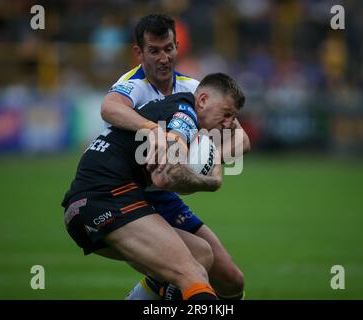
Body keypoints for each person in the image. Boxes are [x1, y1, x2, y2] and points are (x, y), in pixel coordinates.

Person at [101, 14, 250, 300]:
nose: (163, 57)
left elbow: (242, 138)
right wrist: (150, 129)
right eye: (154, 50)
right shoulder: (133, 84)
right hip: (128, 194)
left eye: (168, 48)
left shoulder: (194, 89)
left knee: (231, 280)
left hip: (163, 196)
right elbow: (109, 108)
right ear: (139, 52)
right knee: (189, 268)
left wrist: (211, 157)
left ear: (177, 46)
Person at [61, 73, 245, 301]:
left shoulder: (185, 97)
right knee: (192, 274)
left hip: (105, 196)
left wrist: (211, 156)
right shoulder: (185, 114)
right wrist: (211, 181)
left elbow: (241, 140)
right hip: (106, 197)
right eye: (226, 115)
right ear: (204, 100)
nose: (229, 124)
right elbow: (166, 177)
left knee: (201, 255)